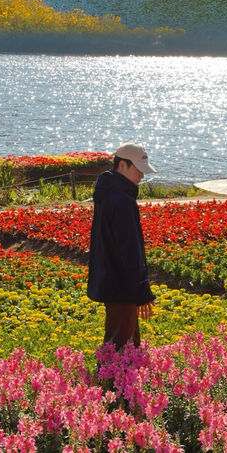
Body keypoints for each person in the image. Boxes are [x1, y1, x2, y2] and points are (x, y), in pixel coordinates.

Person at [87, 142, 157, 349]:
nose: (142, 176)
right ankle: (107, 381)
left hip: (113, 280)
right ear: (122, 166)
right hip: (121, 284)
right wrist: (142, 290)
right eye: (138, 169)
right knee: (120, 345)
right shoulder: (121, 201)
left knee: (124, 342)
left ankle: (112, 379)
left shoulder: (108, 194)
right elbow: (129, 250)